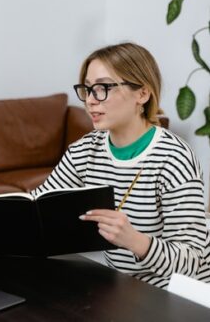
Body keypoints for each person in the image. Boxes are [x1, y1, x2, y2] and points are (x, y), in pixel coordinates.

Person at [32, 42, 210, 289]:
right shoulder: (84, 150)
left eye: (103, 88)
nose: (91, 101)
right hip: (121, 288)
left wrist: (135, 241)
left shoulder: (175, 158)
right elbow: (35, 207)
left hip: (175, 295)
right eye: (87, 89)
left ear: (142, 94)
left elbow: (191, 261)